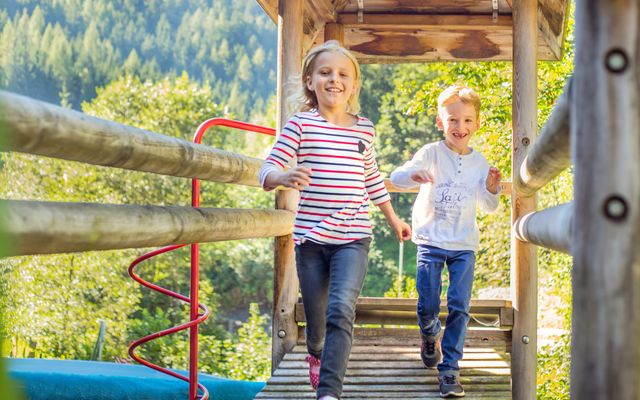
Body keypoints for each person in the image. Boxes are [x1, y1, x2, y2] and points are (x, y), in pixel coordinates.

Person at [258, 40, 411, 400]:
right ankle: (315, 351)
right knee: (316, 323)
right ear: (310, 81)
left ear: (353, 85)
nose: (334, 80)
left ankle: (329, 392)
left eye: (343, 74)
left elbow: (372, 178)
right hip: (310, 241)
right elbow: (267, 169)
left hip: (354, 237)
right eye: (325, 73)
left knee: (341, 308)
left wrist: (393, 219)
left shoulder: (364, 129)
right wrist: (282, 177)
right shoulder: (300, 125)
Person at [390, 85, 501, 398]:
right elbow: (398, 176)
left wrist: (492, 188)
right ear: (441, 123)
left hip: (464, 245)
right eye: (453, 120)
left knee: (459, 307)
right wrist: (414, 175)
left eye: (467, 121)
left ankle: (450, 369)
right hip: (431, 241)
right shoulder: (431, 153)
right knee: (427, 303)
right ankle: (428, 333)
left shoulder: (480, 163)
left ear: (476, 124)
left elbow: (489, 206)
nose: (460, 127)